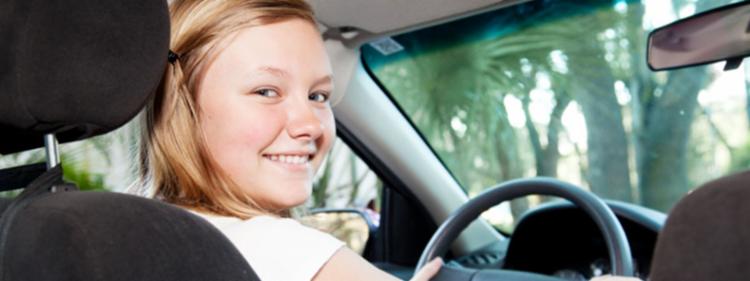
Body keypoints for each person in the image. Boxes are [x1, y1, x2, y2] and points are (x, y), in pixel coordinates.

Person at [140, 0, 441, 280]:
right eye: (266, 92)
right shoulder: (287, 249)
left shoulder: (133, 236)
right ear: (182, 105)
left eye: (318, 96)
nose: (310, 124)